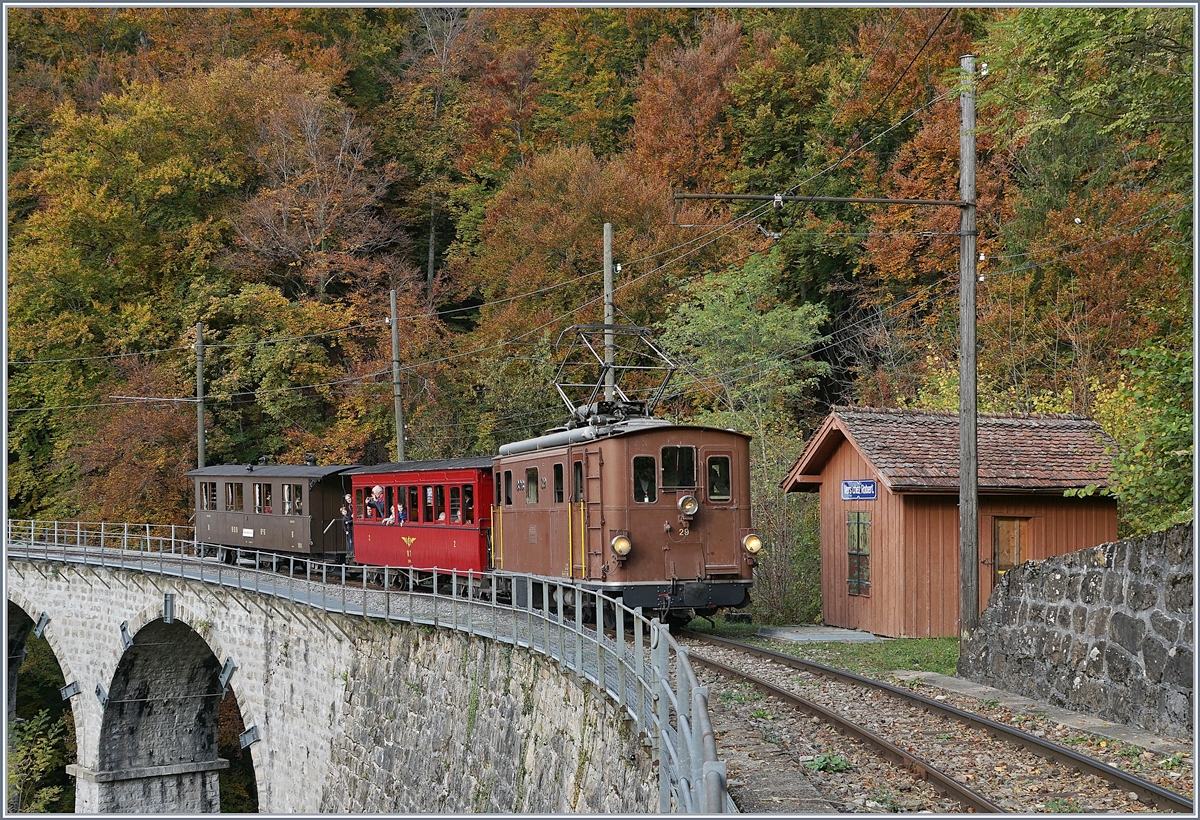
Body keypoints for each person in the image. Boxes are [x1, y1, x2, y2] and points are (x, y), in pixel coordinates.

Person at [340, 494, 355, 563]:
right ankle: (352, 551)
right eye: (347, 499)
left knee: (352, 540)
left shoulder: (352, 505)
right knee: (350, 540)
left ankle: (352, 551)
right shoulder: (349, 507)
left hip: (351, 526)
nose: (348, 500)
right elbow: (344, 524)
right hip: (350, 528)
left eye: (349, 498)